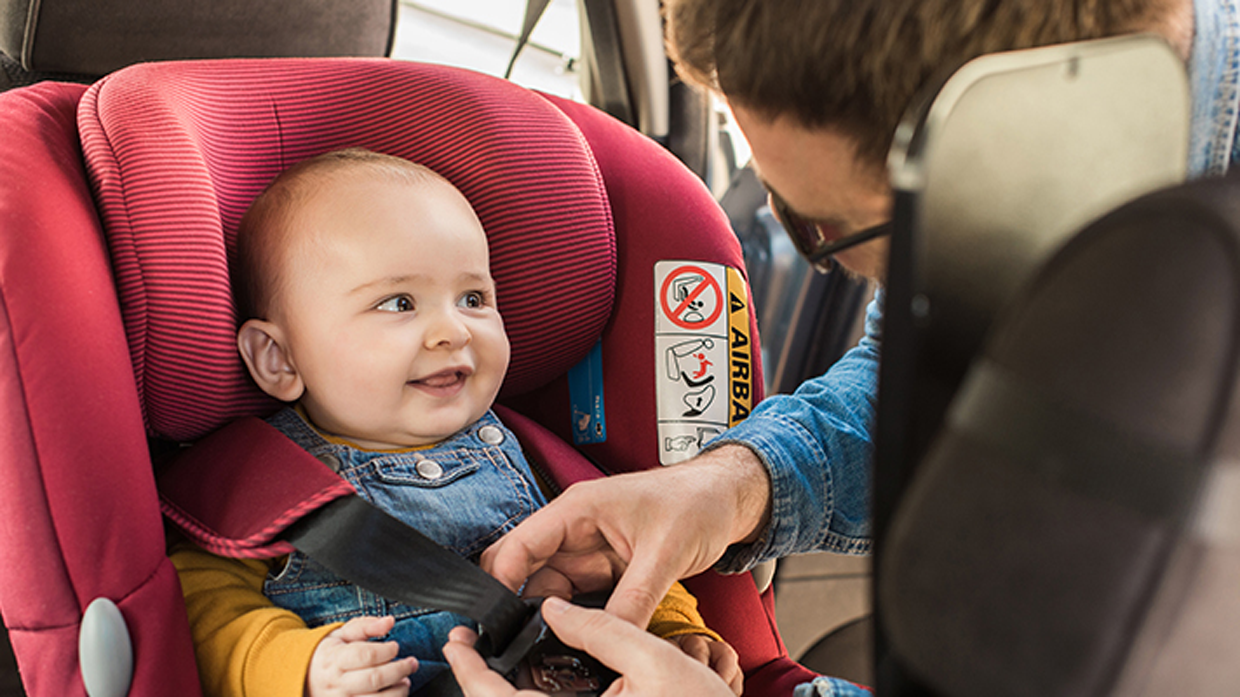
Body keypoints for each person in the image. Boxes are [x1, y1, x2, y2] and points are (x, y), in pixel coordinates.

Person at [444, 0, 1238, 695]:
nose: (832, 259)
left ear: (1031, 129)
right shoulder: (998, 174)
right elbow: (920, 374)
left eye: (828, 226)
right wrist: (727, 487)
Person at [168, 148, 743, 697]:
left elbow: (621, 560)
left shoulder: (537, 458)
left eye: (472, 298)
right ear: (280, 358)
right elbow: (204, 612)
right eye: (398, 303)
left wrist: (672, 633)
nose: (453, 331)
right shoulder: (262, 488)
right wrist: (302, 668)